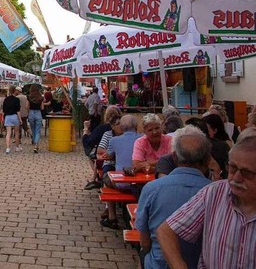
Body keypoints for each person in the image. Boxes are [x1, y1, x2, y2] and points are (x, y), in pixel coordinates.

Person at [157, 136, 256, 269]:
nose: (236, 178)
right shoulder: (214, 193)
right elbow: (166, 231)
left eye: (247, 172)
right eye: (232, 168)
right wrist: (179, 265)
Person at [136, 126, 211, 269]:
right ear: (208, 160)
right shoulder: (217, 193)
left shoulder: (152, 189)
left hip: (159, 264)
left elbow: (144, 242)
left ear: (175, 157)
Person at [101, 115, 142, 229]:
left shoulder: (115, 140)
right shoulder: (143, 138)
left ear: (122, 127)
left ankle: (111, 216)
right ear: (136, 126)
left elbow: (108, 156)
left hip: (121, 182)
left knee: (106, 178)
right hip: (140, 182)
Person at [82, 105, 122, 190]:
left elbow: (88, 142)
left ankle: (95, 179)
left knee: (92, 156)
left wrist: (85, 130)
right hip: (108, 161)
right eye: (117, 124)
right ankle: (98, 181)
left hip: (111, 162)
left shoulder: (102, 129)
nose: (119, 126)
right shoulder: (108, 133)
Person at [3, 85, 21, 154]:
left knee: (8, 133)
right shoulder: (17, 99)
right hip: (14, 116)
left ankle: (8, 148)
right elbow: (18, 110)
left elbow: (4, 110)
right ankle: (17, 147)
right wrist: (20, 119)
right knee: (16, 133)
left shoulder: (6, 99)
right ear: (15, 90)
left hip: (7, 116)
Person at [27, 87, 44, 153]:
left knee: (33, 129)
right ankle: (36, 145)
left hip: (31, 113)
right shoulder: (41, 98)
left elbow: (26, 106)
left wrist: (29, 110)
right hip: (38, 113)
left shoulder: (29, 97)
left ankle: (34, 142)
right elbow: (42, 108)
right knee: (37, 130)